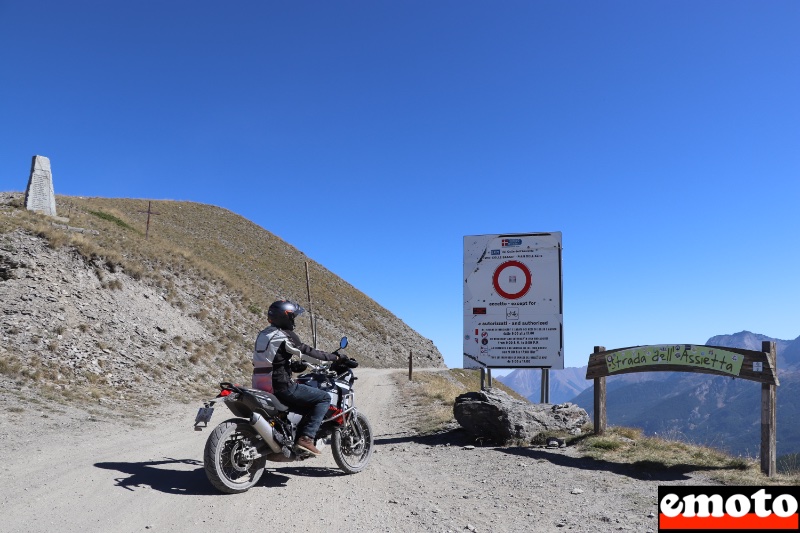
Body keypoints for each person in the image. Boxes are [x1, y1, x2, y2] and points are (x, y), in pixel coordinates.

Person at [251, 299, 339, 456]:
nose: (293, 321)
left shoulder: (263, 334)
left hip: (259, 384)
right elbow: (309, 353)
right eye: (292, 317)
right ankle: (306, 438)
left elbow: (269, 360)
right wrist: (335, 358)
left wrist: (291, 367)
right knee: (323, 398)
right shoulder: (285, 335)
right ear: (285, 316)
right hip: (280, 386)